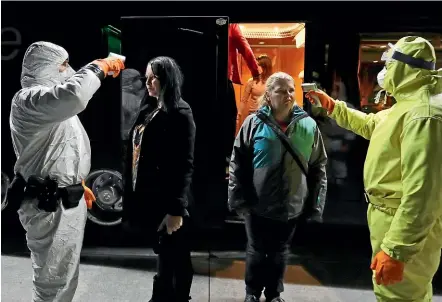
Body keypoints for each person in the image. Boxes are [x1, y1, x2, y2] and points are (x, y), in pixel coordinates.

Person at [305, 36, 442, 302]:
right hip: (388, 217)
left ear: (404, 68)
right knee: (399, 294)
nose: (384, 72)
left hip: (399, 224)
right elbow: (370, 124)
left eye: (389, 65)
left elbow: (423, 194)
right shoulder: (406, 107)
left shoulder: (423, 116)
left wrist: (396, 250)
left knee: (398, 296)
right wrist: (332, 106)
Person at [9, 41, 125, 301]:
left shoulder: (50, 105)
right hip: (48, 205)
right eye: (62, 65)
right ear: (44, 68)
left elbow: (61, 149)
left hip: (64, 200)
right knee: (52, 282)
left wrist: (75, 183)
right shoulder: (29, 100)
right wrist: (100, 66)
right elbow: (75, 95)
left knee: (65, 277)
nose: (69, 70)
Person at [228, 72, 328, 302]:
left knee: (279, 253)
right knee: (256, 249)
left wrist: (316, 206)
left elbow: (318, 168)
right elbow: (238, 161)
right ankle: (252, 293)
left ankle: (274, 293)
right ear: (269, 95)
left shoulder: (308, 126)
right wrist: (237, 197)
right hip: (257, 202)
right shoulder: (253, 123)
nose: (288, 95)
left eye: (291, 90)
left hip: (291, 203)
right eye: (281, 90)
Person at [122, 56, 196, 302]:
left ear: (168, 79)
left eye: (154, 77)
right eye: (147, 77)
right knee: (166, 254)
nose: (148, 82)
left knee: (174, 258)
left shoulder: (180, 113)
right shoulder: (150, 108)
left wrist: (176, 208)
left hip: (170, 201)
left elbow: (184, 163)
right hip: (152, 199)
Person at [225, 23, 261, 162]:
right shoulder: (231, 25)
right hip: (223, 77)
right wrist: (255, 70)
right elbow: (244, 46)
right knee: (228, 117)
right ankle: (227, 154)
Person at [236, 54, 273, 131]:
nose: (255, 67)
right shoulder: (251, 81)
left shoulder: (272, 81)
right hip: (254, 115)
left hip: (268, 115)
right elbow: (244, 100)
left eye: (258, 65)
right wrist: (238, 115)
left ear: (265, 67)